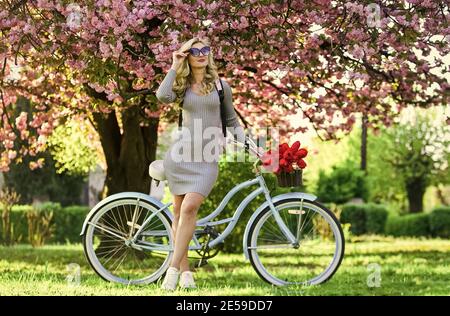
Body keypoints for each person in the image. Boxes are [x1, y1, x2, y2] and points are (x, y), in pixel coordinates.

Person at [155, 37, 245, 290]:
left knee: (189, 208)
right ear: (187, 56)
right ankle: (185, 273)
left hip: (207, 158)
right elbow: (162, 96)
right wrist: (174, 65)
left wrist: (250, 144)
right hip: (181, 156)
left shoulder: (220, 86)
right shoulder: (181, 86)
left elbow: (231, 120)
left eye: (205, 49)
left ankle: (171, 269)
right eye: (195, 51)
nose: (202, 54)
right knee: (178, 213)